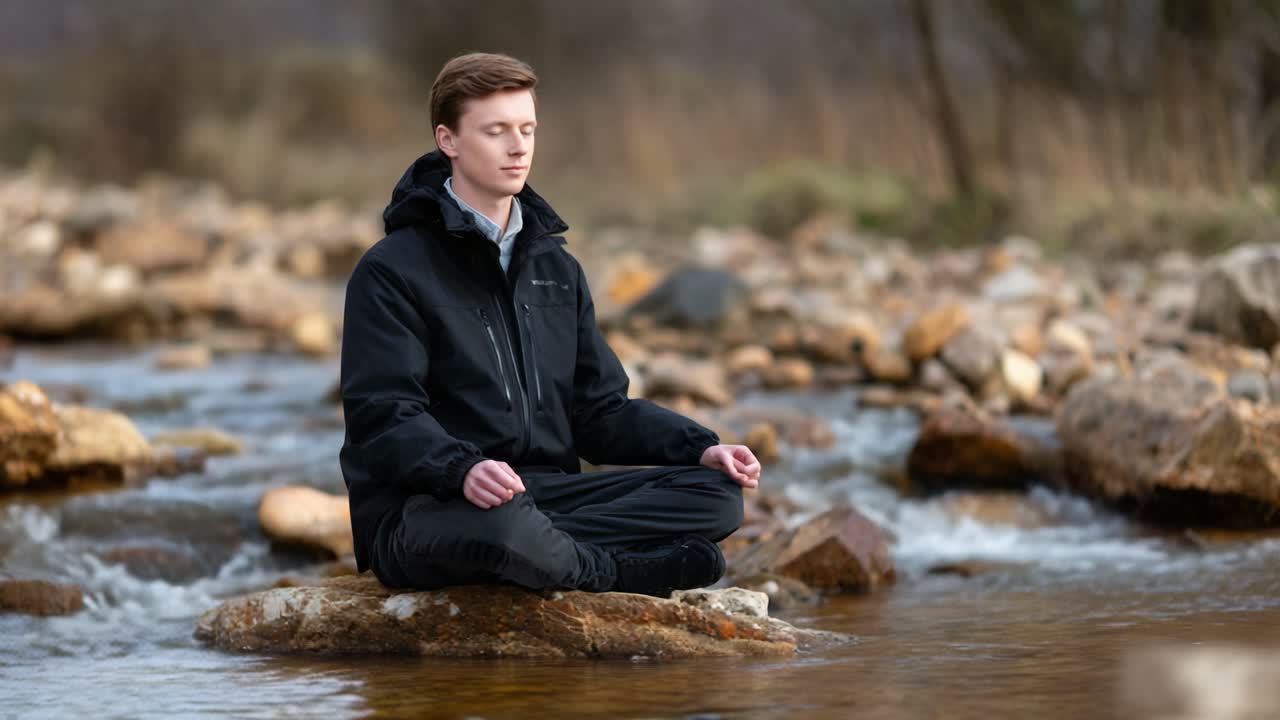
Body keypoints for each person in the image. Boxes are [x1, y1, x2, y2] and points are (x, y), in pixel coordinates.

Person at [338, 52, 760, 597]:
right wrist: (463, 469)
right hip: (430, 507)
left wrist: (699, 448)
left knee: (716, 494)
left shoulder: (556, 269)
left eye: (527, 129)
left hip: (547, 496)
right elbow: (383, 418)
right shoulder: (391, 270)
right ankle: (609, 571)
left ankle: (552, 555)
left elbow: (599, 412)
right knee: (505, 526)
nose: (518, 147)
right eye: (496, 131)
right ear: (449, 141)